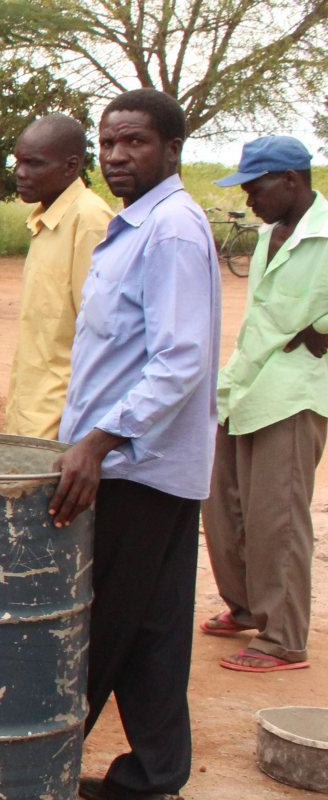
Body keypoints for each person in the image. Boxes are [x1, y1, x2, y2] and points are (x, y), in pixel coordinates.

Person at [49, 89, 220, 800]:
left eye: (135, 142)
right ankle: (152, 778)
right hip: (141, 464)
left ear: (171, 150)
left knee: (100, 626)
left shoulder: (170, 230)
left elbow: (181, 358)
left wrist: (97, 443)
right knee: (153, 628)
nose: (117, 156)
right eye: (109, 143)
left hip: (135, 469)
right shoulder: (140, 224)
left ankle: (35, 762)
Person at [202, 135, 328, 674]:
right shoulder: (269, 235)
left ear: (291, 181)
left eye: (256, 189)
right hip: (245, 382)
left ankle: (283, 637)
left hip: (295, 392)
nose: (249, 201)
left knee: (277, 516)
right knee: (221, 503)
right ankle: (246, 606)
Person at [5, 115, 116, 439]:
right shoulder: (45, 219)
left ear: (71, 166)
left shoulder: (89, 220)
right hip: (30, 408)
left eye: (34, 163)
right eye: (18, 162)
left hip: (60, 418)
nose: (20, 173)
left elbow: (100, 333)